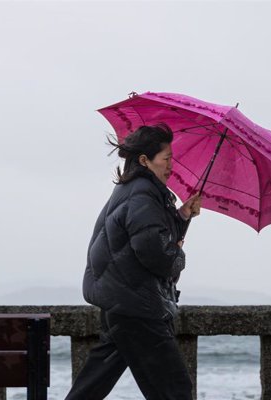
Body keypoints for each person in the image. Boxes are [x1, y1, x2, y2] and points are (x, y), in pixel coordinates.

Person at [65, 124, 201, 400]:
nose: (171, 166)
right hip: (138, 305)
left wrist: (182, 216)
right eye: (166, 159)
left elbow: (147, 236)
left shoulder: (134, 190)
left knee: (91, 388)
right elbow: (155, 253)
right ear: (144, 160)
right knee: (176, 390)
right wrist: (178, 256)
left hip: (123, 300)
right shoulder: (144, 193)